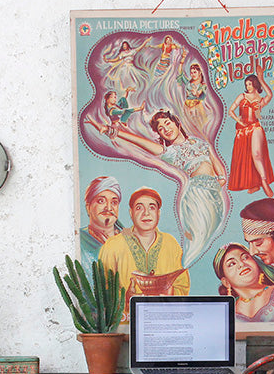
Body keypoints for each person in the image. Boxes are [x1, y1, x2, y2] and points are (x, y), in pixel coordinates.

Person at [91, 109, 229, 267]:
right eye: (161, 129)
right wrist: (110, 131)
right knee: (198, 239)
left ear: (177, 123)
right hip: (196, 197)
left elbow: (217, 165)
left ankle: (181, 269)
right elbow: (140, 141)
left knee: (211, 233)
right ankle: (180, 268)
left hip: (214, 194)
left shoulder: (200, 143)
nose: (166, 129)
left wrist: (220, 180)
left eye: (167, 123)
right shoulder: (169, 152)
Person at [98, 186, 189, 305]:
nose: (146, 213)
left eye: (152, 207)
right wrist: (126, 298)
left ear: (158, 213)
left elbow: (183, 286)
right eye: (139, 208)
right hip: (126, 321)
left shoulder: (170, 244)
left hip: (161, 318)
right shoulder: (113, 245)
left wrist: (170, 292)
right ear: (131, 213)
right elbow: (101, 289)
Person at [212, 242, 274, 323]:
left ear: (256, 263)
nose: (242, 264)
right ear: (226, 282)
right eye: (232, 264)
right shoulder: (226, 314)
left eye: (245, 257)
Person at [227, 58, 274, 197]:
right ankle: (254, 185)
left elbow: (270, 95)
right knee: (246, 159)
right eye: (246, 84)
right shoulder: (242, 96)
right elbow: (231, 110)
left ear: (255, 84)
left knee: (257, 155)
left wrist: (261, 78)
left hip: (255, 127)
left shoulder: (260, 100)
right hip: (242, 130)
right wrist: (238, 121)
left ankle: (264, 182)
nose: (247, 86)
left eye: (250, 83)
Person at [80, 176, 123, 267]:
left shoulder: (130, 239)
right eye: (101, 201)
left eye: (114, 202)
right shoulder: (79, 239)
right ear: (88, 207)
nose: (108, 208)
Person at [177, 57, 208, 130]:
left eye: (195, 72)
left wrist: (196, 93)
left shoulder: (202, 85)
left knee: (198, 126)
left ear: (199, 72)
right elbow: (180, 73)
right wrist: (182, 60)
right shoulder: (188, 83)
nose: (193, 74)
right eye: (191, 72)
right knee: (188, 125)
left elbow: (199, 94)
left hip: (196, 108)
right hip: (187, 106)